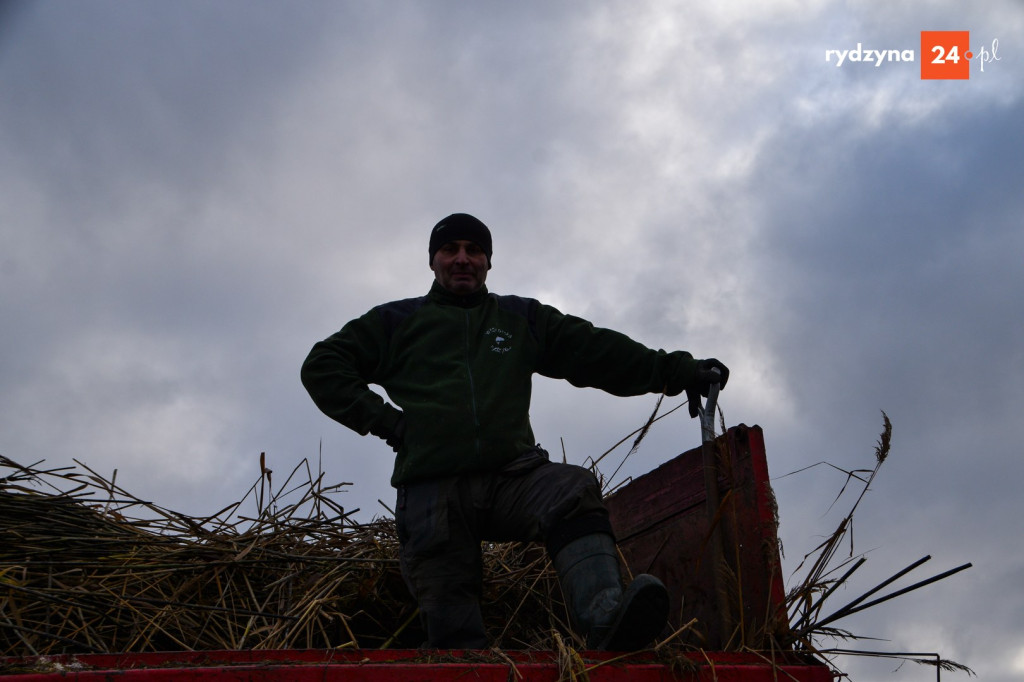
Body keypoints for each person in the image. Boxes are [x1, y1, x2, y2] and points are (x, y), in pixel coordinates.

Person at [301, 213, 729, 651]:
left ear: (489, 261)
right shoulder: (396, 323)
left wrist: (678, 370)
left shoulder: (518, 318)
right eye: (451, 250)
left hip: (512, 478)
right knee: (456, 643)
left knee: (571, 489)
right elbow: (323, 366)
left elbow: (598, 351)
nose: (463, 259)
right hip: (433, 493)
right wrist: (387, 422)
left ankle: (604, 620)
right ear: (433, 261)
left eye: (475, 250)